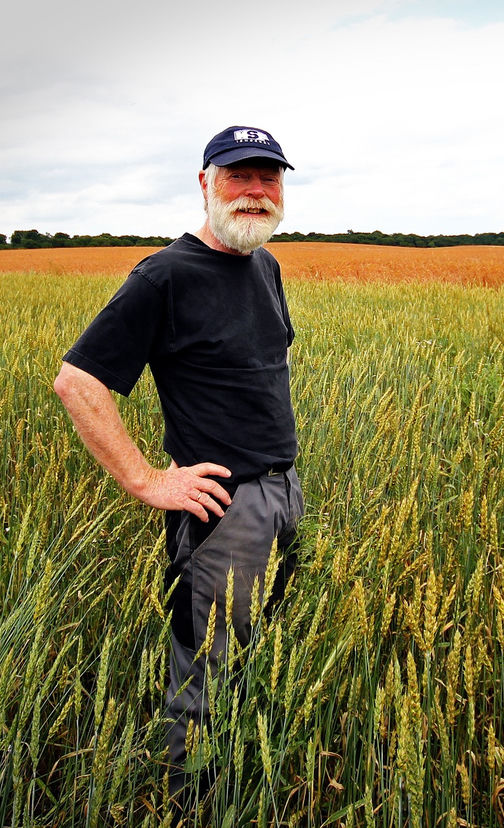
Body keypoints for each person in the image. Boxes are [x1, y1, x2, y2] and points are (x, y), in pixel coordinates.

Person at [53, 125, 303, 812]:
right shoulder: (164, 276)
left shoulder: (265, 266)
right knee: (204, 677)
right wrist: (146, 480)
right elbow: (78, 381)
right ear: (205, 183)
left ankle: (238, 782)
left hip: (283, 495)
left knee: (254, 654)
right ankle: (188, 804)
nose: (255, 192)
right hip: (222, 512)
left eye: (269, 178)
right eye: (238, 176)